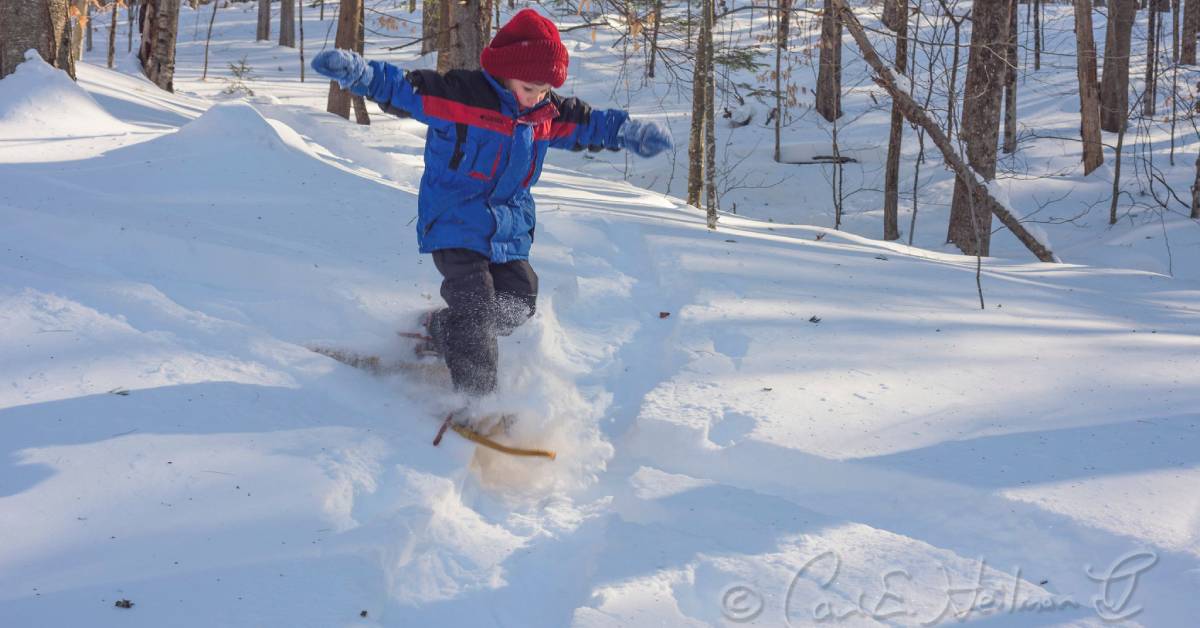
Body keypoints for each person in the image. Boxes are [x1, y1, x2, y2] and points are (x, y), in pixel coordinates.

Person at [311, 8, 672, 398]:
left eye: (544, 90)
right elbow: (406, 91)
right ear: (505, 70)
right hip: (454, 221)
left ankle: (443, 329)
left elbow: (590, 124)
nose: (536, 97)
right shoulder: (463, 97)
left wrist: (629, 132)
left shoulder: (543, 114)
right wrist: (359, 74)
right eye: (529, 87)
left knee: (519, 300)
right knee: (477, 306)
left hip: (508, 229)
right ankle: (475, 399)